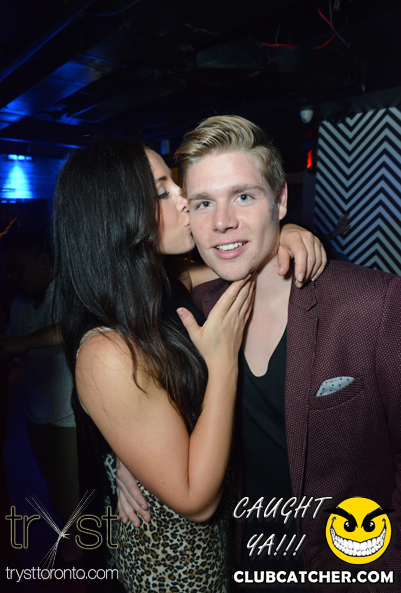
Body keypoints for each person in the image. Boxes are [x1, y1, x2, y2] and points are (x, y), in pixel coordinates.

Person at [120, 116, 401, 592]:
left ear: (281, 200)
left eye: (243, 197)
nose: (222, 221)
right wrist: (129, 453)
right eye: (204, 202)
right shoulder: (195, 311)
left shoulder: (372, 304)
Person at [53, 137, 326, 593]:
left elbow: (243, 262)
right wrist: (222, 366)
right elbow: (196, 501)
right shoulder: (105, 351)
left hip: (221, 547)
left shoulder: (165, 286)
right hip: (172, 567)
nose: (185, 199)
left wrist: (286, 231)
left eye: (176, 184)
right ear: (117, 217)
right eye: (163, 191)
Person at [1, 231, 81, 563]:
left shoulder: (67, 292)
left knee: (73, 489)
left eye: (20, 269)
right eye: (10, 270)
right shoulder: (21, 303)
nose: (13, 277)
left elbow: (70, 329)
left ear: (44, 262)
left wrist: (20, 344)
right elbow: (12, 354)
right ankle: (75, 540)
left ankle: (82, 548)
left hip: (69, 418)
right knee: (53, 484)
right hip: (37, 416)